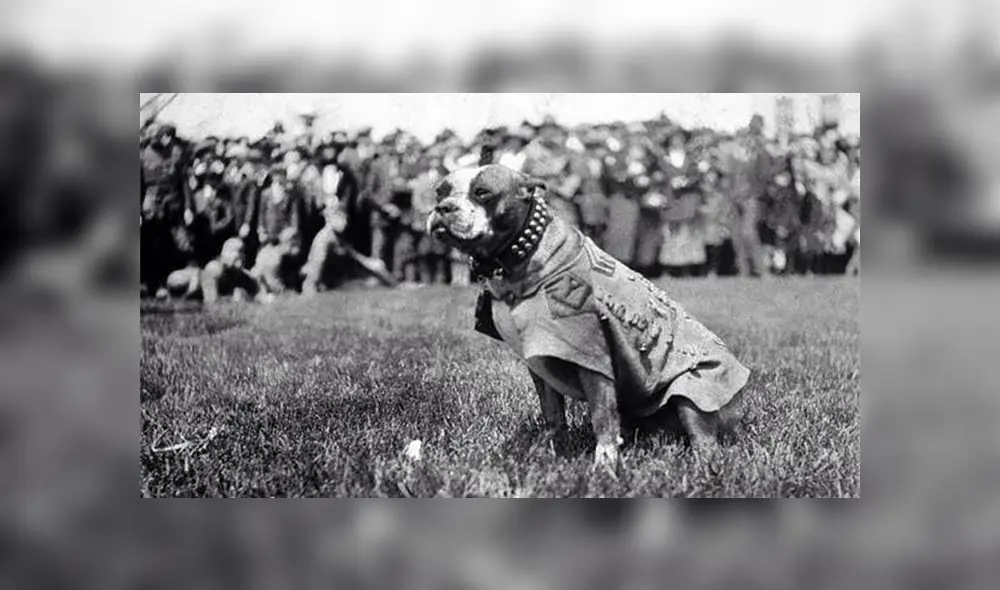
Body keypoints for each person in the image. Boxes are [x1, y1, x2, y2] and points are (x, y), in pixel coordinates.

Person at [140, 123, 189, 293]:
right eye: (160, 135)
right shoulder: (142, 155)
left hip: (171, 207)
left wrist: (188, 208)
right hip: (150, 206)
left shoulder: (176, 153)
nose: (164, 139)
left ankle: (166, 284)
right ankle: (148, 283)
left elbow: (183, 182)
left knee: (169, 246)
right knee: (149, 245)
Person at [250, 165, 304, 294]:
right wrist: (261, 229)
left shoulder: (290, 193)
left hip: (284, 233)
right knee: (266, 258)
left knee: (285, 259)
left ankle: (287, 285)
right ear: (272, 177)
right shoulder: (265, 193)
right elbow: (261, 214)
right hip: (269, 232)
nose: (278, 178)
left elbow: (294, 215)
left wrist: (292, 232)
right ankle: (264, 286)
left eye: (281, 175)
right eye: (276, 175)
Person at [164, 237, 265, 303]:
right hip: (179, 282)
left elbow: (252, 283)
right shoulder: (216, 267)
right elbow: (211, 300)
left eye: (243, 252)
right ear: (225, 254)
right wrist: (233, 299)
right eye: (238, 252)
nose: (242, 256)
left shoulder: (234, 272)